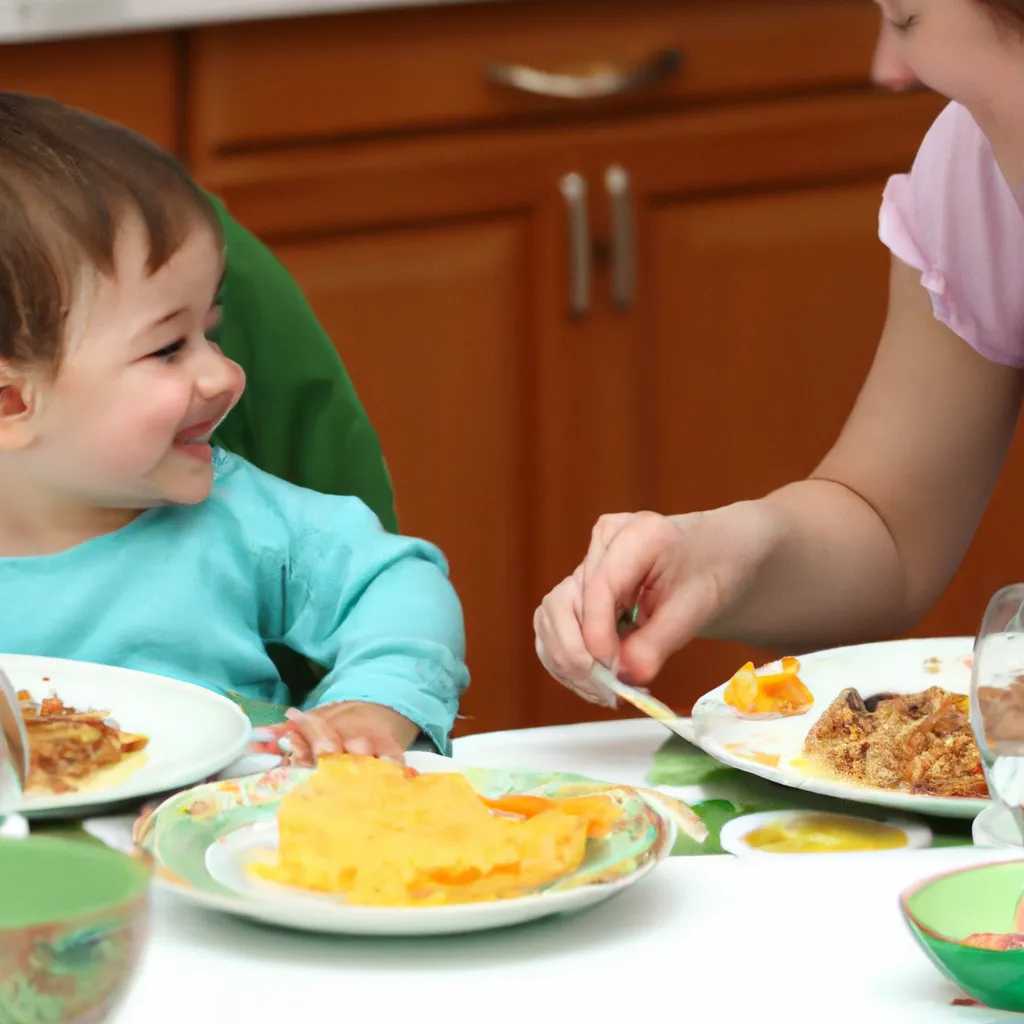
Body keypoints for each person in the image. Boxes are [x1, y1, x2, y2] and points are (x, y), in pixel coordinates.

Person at [534, 0, 1024, 706]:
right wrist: (719, 553)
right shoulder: (976, 178)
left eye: (907, 18)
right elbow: (889, 528)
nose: (888, 68)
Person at [0, 92, 469, 760]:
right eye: (168, 349)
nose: (225, 378)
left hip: (223, 854)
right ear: (12, 404)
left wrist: (375, 703)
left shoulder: (238, 518)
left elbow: (398, 584)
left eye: (210, 333)